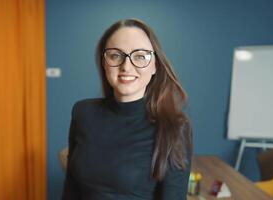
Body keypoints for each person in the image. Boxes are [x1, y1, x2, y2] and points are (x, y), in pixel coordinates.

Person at [62, 18, 193, 200]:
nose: (126, 66)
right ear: (104, 62)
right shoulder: (83, 112)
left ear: (155, 65)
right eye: (116, 55)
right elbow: (71, 189)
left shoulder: (174, 126)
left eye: (140, 56)